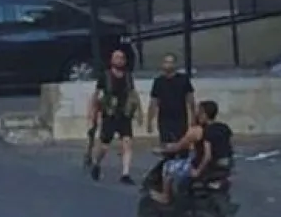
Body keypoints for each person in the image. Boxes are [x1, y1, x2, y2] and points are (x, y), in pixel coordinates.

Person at [150, 99, 232, 204]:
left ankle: (166, 197)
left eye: (199, 111)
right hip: (224, 166)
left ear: (204, 114)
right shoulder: (224, 128)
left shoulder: (201, 131)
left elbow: (206, 155)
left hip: (204, 166)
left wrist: (197, 171)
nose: (197, 114)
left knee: (168, 167)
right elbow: (227, 147)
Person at [87, 48, 140, 184]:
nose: (119, 60)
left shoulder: (128, 76)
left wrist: (138, 112)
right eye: (116, 57)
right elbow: (96, 95)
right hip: (109, 114)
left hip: (124, 114)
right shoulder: (105, 76)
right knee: (104, 146)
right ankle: (96, 164)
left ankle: (125, 173)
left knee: (127, 143)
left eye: (121, 58)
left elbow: (133, 94)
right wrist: (93, 113)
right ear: (111, 60)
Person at [146, 53, 195, 145]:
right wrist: (149, 121)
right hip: (164, 119)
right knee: (166, 145)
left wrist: (193, 117)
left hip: (180, 118)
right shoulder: (158, 81)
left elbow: (190, 99)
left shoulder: (183, 79)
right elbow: (153, 102)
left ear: (175, 64)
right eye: (165, 62)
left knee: (181, 144)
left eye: (170, 62)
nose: (167, 64)